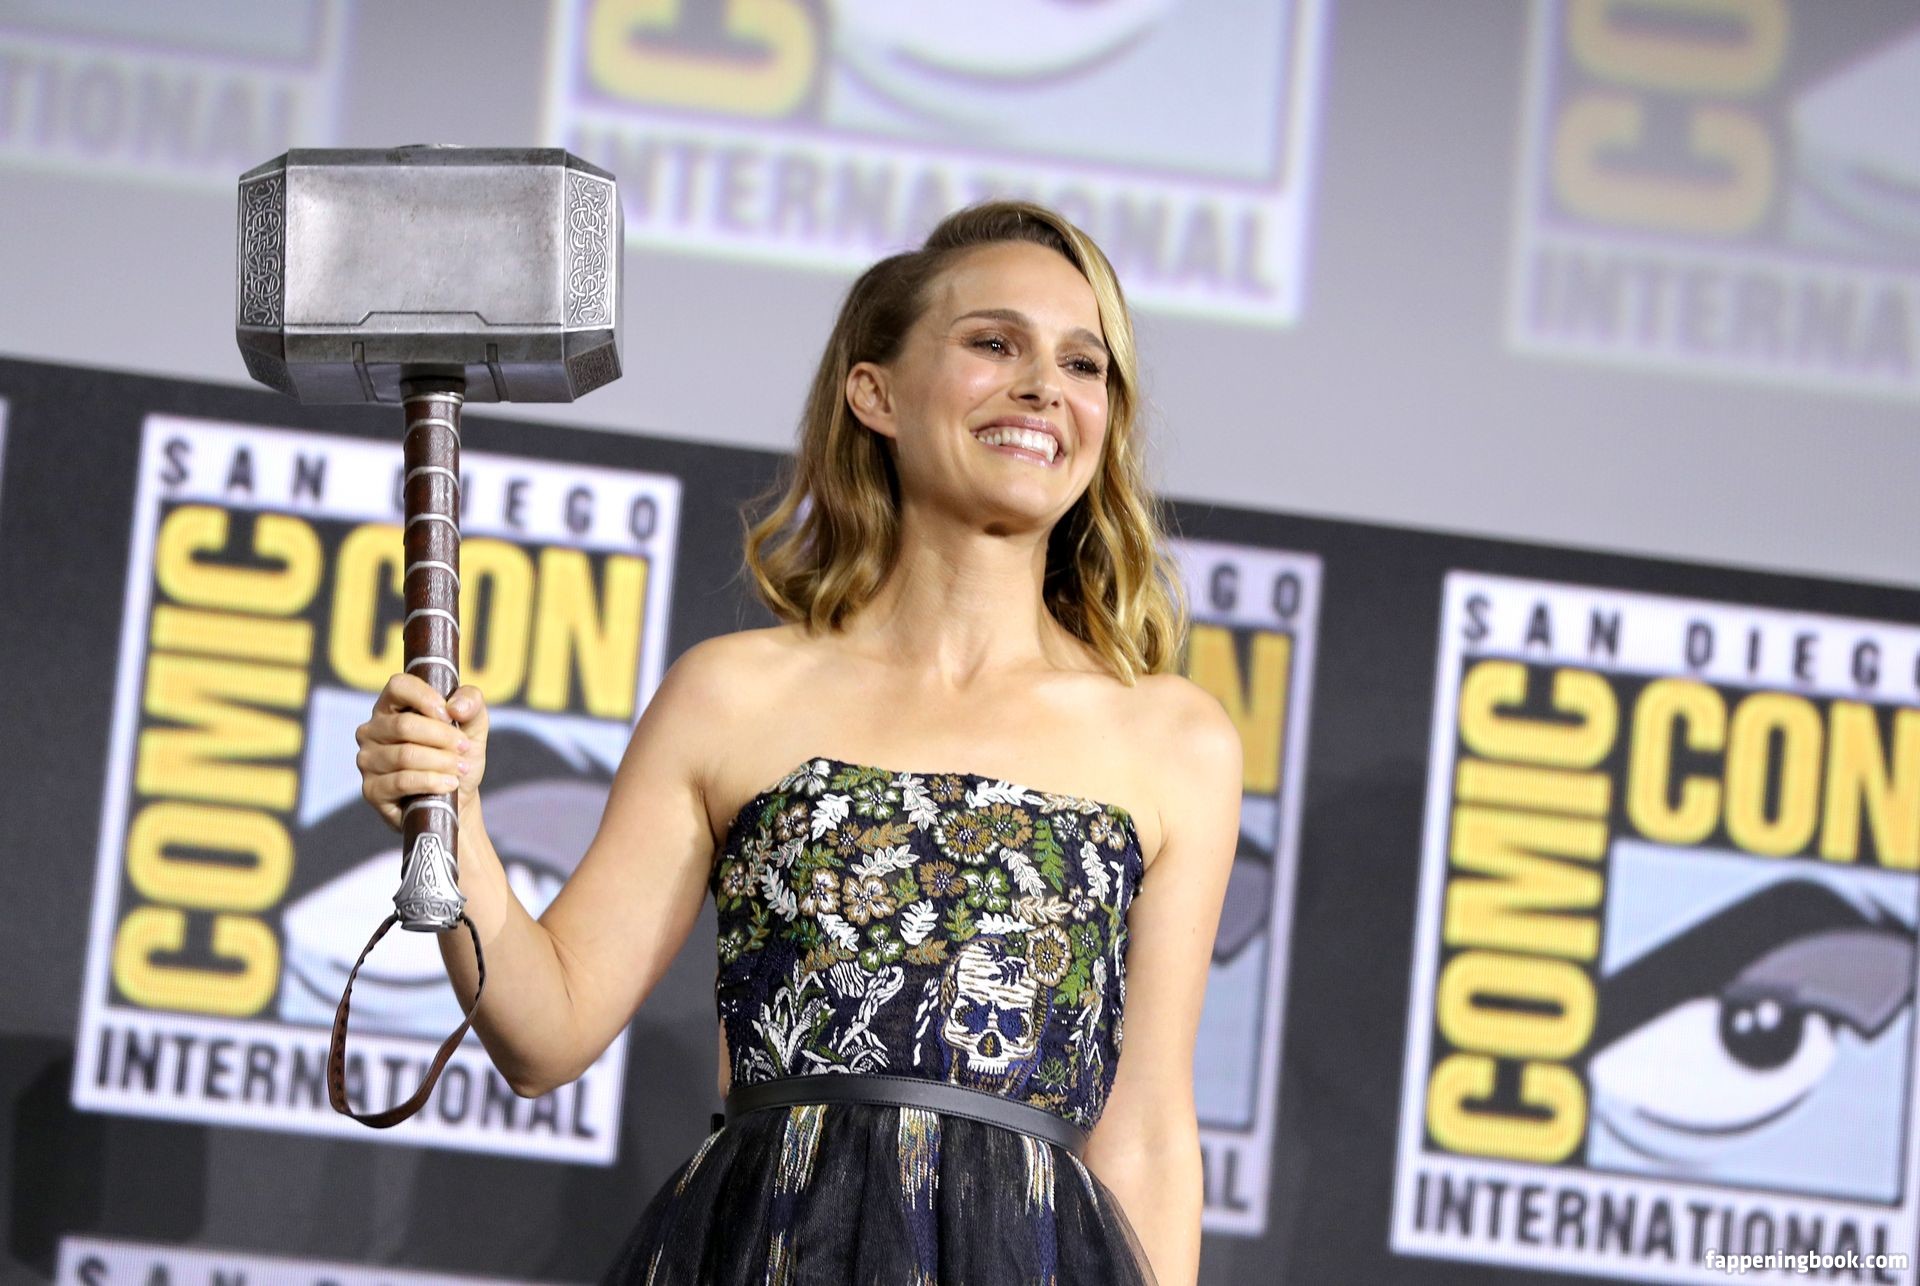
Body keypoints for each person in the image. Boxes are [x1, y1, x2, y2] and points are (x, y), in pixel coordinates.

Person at [354, 199, 1243, 1285]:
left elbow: (1147, 1134)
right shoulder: (732, 696)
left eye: (1083, 363)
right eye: (994, 343)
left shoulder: (1173, 741)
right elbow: (547, 1031)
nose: (1043, 387)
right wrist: (452, 822)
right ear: (875, 392)